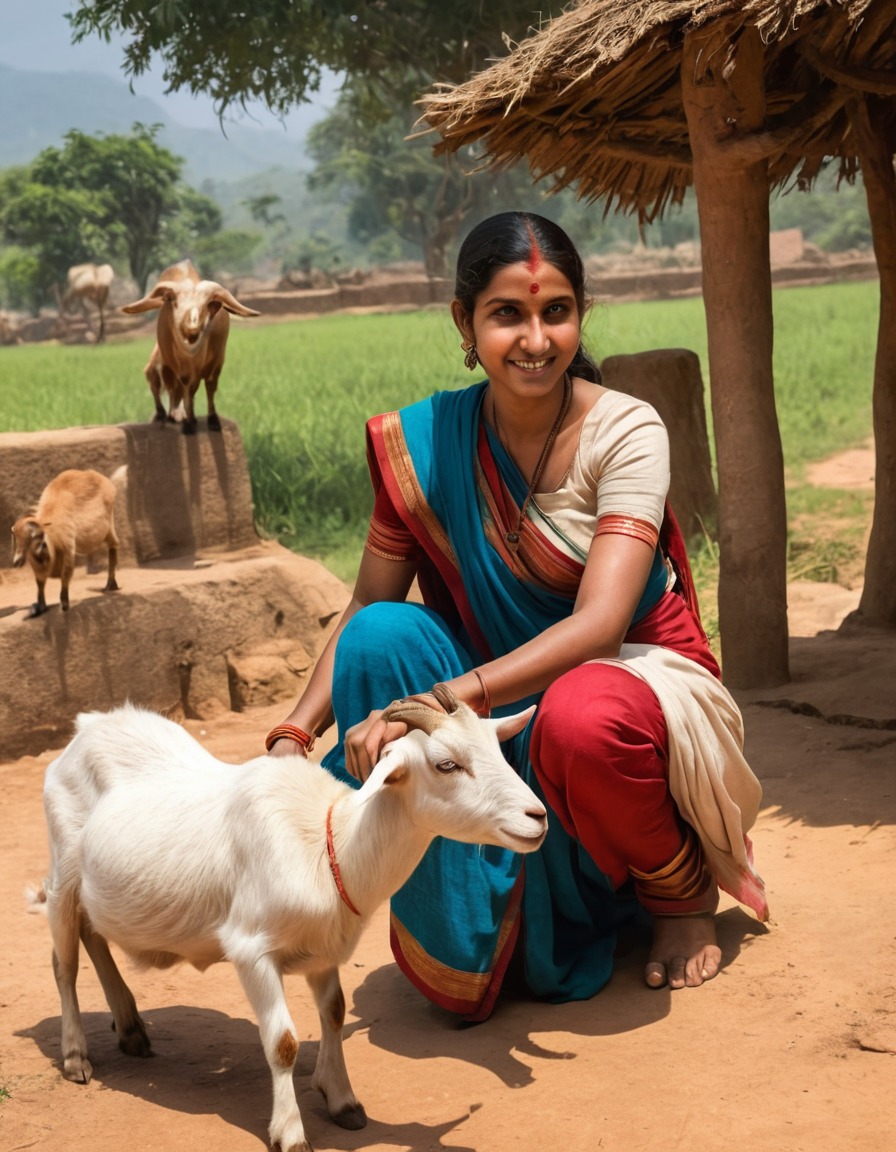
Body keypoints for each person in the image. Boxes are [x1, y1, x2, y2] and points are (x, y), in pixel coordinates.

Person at [266, 211, 768, 1021]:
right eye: (508, 314)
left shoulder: (626, 429)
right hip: (495, 687)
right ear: (464, 323)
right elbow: (367, 600)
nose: (536, 338)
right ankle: (468, 933)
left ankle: (676, 895)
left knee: (581, 716)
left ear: (581, 317)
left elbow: (602, 625)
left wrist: (443, 701)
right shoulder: (425, 444)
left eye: (556, 312)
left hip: (632, 681)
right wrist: (293, 735)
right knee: (380, 637)